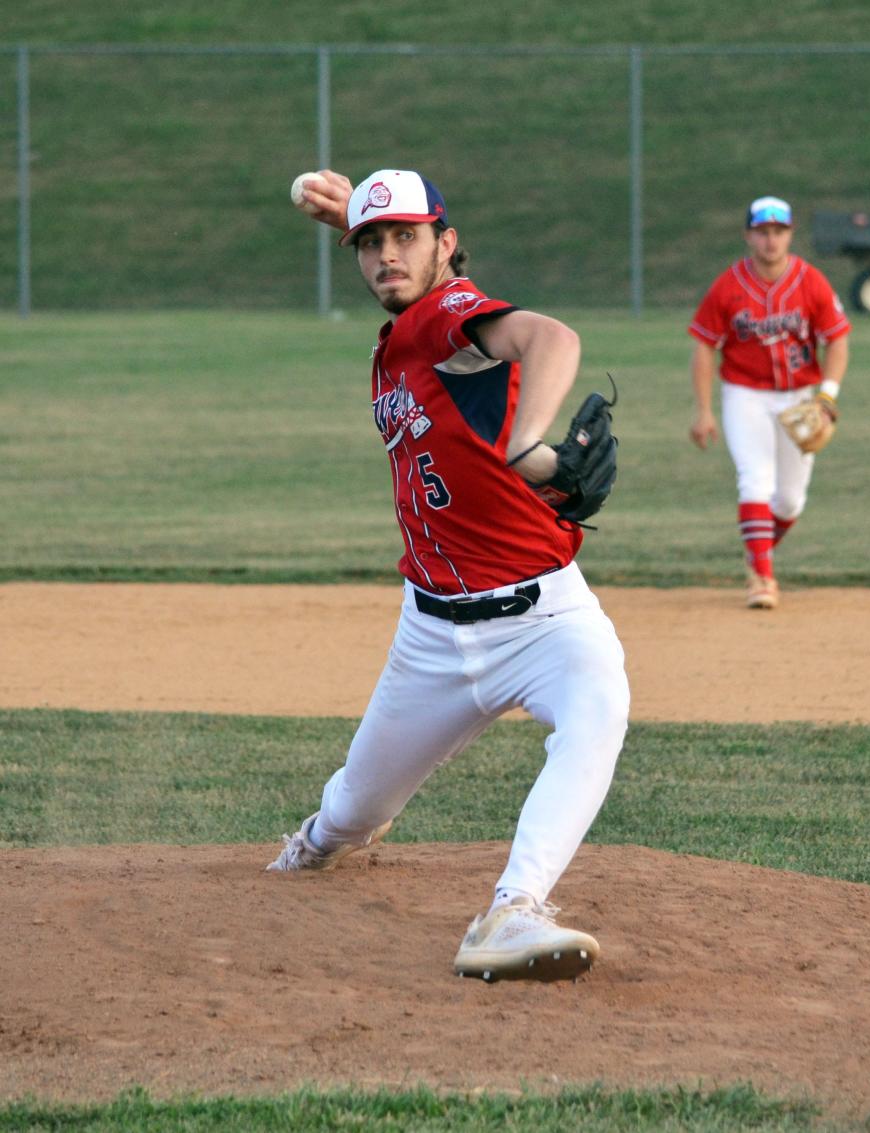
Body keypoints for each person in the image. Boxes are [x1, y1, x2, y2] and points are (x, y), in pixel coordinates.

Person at [266, 167, 630, 983]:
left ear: (449, 243)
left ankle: (515, 907)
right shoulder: (412, 322)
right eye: (370, 243)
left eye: (405, 238)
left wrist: (520, 441)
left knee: (601, 705)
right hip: (431, 637)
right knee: (349, 814)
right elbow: (411, 280)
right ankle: (318, 844)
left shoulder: (449, 318)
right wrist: (369, 214)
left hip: (546, 620)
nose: (385, 256)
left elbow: (552, 339)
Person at [687, 196, 851, 609]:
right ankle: (762, 577)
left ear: (790, 234)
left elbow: (838, 340)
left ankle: (756, 548)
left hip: (799, 398)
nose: (770, 240)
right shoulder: (728, 285)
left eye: (778, 232)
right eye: (762, 232)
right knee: (754, 479)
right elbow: (705, 347)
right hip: (746, 393)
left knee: (791, 499)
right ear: (749, 235)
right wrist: (704, 410)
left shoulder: (811, 281)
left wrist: (828, 395)